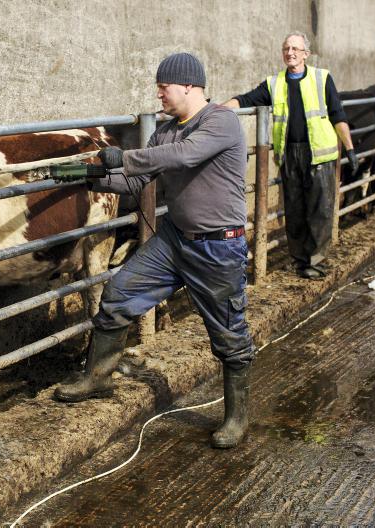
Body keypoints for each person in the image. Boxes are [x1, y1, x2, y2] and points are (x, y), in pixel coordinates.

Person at [53, 52, 255, 449]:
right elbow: (134, 182)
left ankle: (237, 416)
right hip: (174, 240)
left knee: (229, 335)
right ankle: (98, 377)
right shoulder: (163, 132)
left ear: (189, 86)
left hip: (218, 247)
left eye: (164, 86)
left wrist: (123, 158)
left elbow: (186, 154)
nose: (159, 93)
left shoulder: (220, 121)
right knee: (119, 294)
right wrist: (88, 177)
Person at [223, 31, 358, 279]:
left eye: (295, 48)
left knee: (320, 210)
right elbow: (246, 99)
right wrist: (217, 109)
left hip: (319, 154)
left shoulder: (322, 78)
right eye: (286, 48)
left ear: (306, 54)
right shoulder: (274, 83)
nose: (290, 53)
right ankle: (299, 260)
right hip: (290, 155)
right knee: (294, 210)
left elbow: (338, 115)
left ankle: (315, 262)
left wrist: (349, 148)